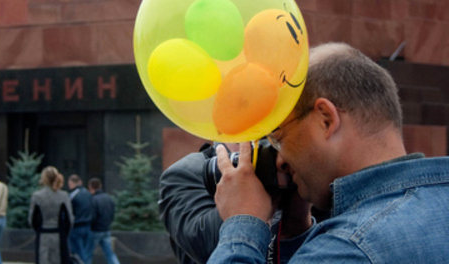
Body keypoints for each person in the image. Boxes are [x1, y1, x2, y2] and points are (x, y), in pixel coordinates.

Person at [208, 42, 449, 263]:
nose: (280, 161)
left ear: (326, 119)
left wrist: (242, 225)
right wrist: (295, 231)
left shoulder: (349, 248)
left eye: (278, 137)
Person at [159, 144, 312, 264]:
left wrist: (298, 219)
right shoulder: (189, 172)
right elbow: (206, 247)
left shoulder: (302, 175)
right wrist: (248, 202)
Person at [28, 166, 74, 264]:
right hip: (59, 234)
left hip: (43, 234)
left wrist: (38, 230)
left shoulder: (37, 196)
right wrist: (64, 233)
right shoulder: (63, 195)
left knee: (43, 259)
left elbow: (32, 219)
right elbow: (69, 219)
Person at [88, 178, 120, 264]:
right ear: (100, 186)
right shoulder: (108, 198)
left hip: (96, 230)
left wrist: (91, 226)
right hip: (106, 229)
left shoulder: (93, 199)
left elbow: (93, 217)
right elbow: (112, 213)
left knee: (88, 254)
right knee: (110, 254)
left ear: (91, 187)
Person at [68, 174, 93, 264]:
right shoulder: (88, 193)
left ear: (71, 183)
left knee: (77, 253)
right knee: (86, 252)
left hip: (77, 226)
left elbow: (68, 210)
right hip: (88, 226)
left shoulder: (73, 195)